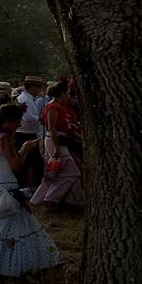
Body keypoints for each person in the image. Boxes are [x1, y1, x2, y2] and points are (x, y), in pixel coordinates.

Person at [0, 104, 60, 278]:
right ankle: (1, 265)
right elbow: (16, 165)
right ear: (9, 121)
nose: (19, 125)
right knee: (6, 226)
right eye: (18, 121)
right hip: (6, 185)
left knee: (13, 224)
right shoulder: (4, 138)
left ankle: (8, 263)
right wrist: (26, 149)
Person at [30, 80, 85, 208]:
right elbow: (52, 128)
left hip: (61, 140)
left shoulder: (59, 107)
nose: (69, 95)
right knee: (72, 171)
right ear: (61, 93)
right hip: (55, 141)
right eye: (67, 93)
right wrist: (56, 148)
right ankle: (52, 197)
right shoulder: (53, 107)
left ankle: (74, 199)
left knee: (56, 172)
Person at [14, 75, 47, 189]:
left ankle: (32, 187)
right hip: (24, 135)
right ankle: (30, 187)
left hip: (29, 134)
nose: (39, 89)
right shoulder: (24, 99)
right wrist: (39, 118)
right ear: (32, 87)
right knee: (30, 163)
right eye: (38, 87)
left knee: (33, 163)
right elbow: (28, 118)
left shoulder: (28, 99)